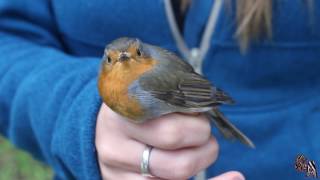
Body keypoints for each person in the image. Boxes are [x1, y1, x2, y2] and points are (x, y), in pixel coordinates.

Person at [0, 0, 319, 179]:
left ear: (145, 55)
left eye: (134, 54)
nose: (124, 61)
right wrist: (73, 111)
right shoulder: (108, 86)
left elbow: (189, 87)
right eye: (112, 60)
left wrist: (212, 102)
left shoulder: (152, 78)